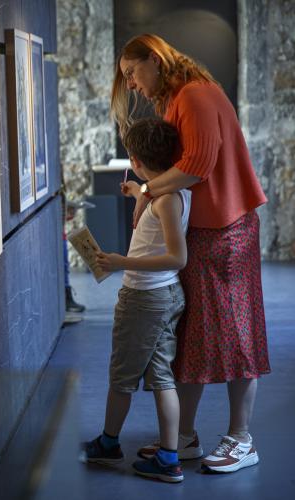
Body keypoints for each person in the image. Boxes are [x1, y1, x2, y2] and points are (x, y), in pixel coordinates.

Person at [111, 34, 269, 473]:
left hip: (227, 231)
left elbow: (196, 166)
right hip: (206, 231)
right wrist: (147, 190)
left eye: (133, 74)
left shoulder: (195, 95)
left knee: (238, 333)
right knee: (192, 334)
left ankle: (241, 439)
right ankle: (184, 436)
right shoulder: (182, 95)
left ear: (156, 60)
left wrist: (145, 188)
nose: (134, 86)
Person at [81, 117, 191, 482]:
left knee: (122, 375)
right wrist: (139, 192)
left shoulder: (165, 202)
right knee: (162, 376)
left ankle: (110, 444)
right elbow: (155, 196)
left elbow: (178, 257)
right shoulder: (169, 192)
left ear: (136, 159)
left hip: (146, 297)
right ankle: (168, 457)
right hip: (163, 296)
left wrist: (119, 262)